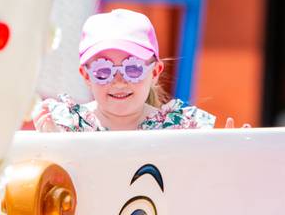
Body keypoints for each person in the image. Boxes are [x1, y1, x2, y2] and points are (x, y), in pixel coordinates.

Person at [33, 9, 216, 132]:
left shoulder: (182, 128)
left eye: (133, 69)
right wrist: (51, 142)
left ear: (154, 72)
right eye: (103, 71)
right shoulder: (66, 125)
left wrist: (232, 149)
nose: (119, 81)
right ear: (86, 75)